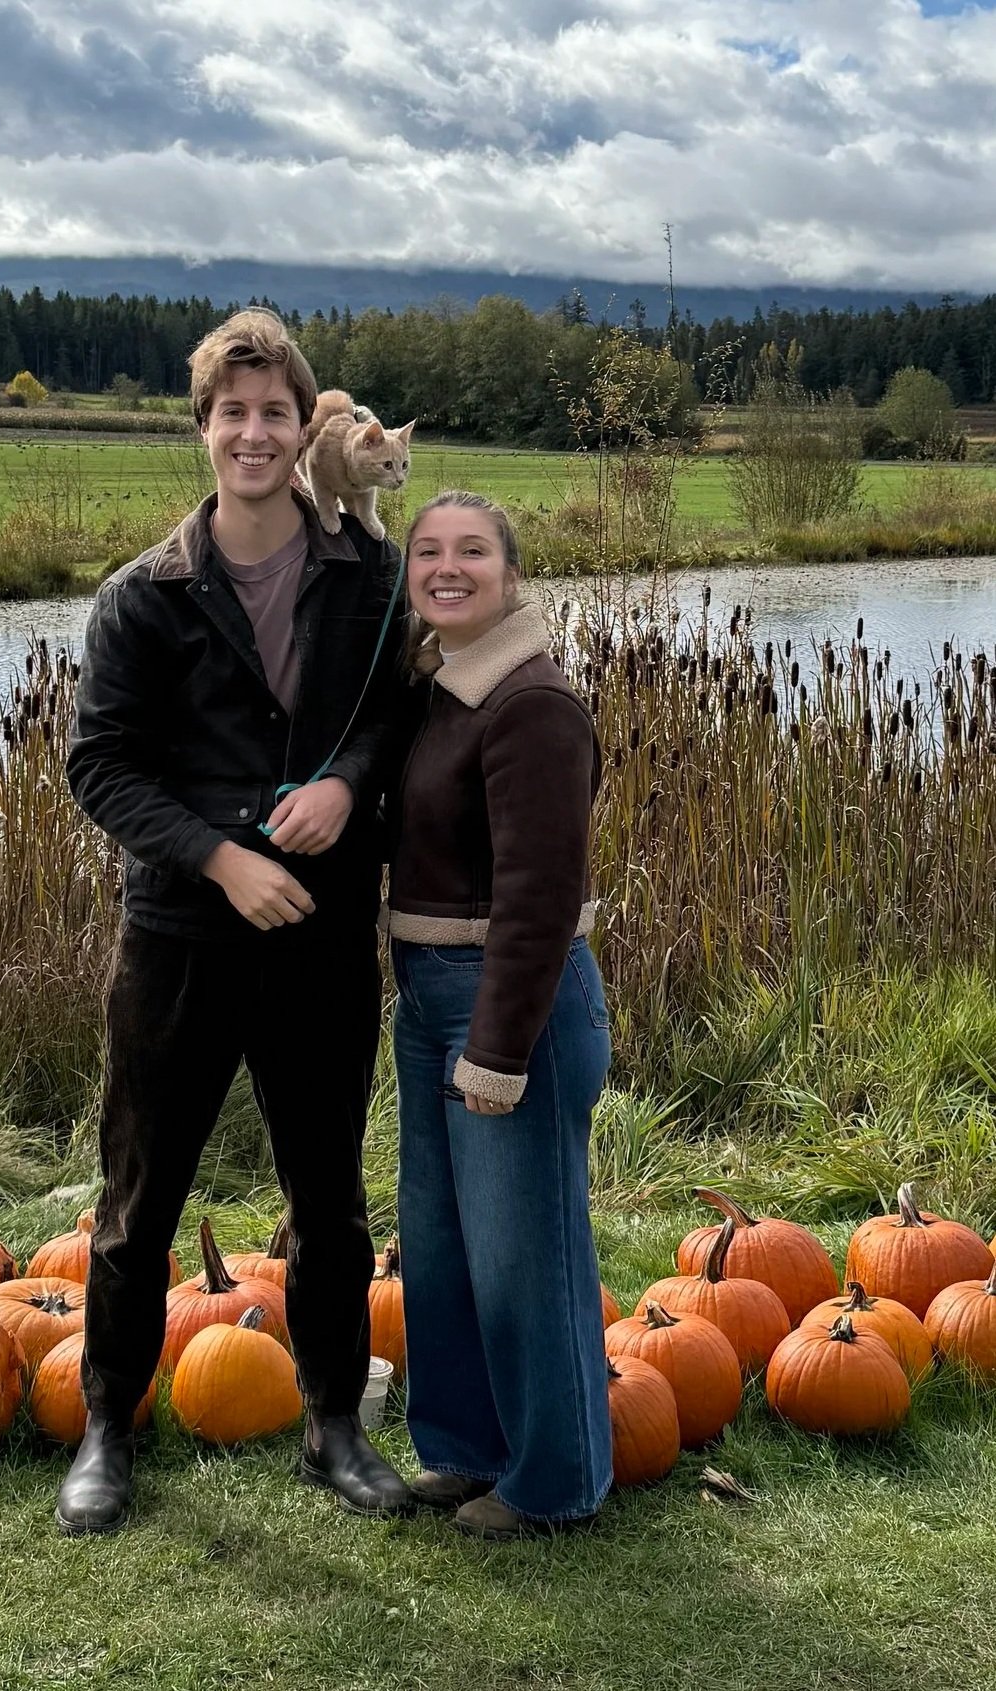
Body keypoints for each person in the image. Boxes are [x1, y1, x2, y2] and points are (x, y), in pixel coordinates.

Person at [58, 309, 410, 1535]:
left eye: (274, 412)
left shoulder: (368, 575)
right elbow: (100, 765)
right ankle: (108, 1425)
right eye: (231, 413)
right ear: (201, 429)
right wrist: (217, 856)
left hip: (320, 932)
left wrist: (345, 784)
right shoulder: (141, 598)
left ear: (303, 426)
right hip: (179, 941)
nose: (252, 433)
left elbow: (392, 716)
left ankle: (333, 1424)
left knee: (330, 1197)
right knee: (137, 1199)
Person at [384, 490, 613, 1541]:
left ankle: (554, 1479)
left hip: (509, 1000)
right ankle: (466, 1448)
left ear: (511, 575)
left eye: (472, 550)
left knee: (524, 1251)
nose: (447, 567)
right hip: (428, 995)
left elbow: (539, 895)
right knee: (441, 1245)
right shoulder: (441, 691)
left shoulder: (532, 704)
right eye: (427, 550)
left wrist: (498, 1047)